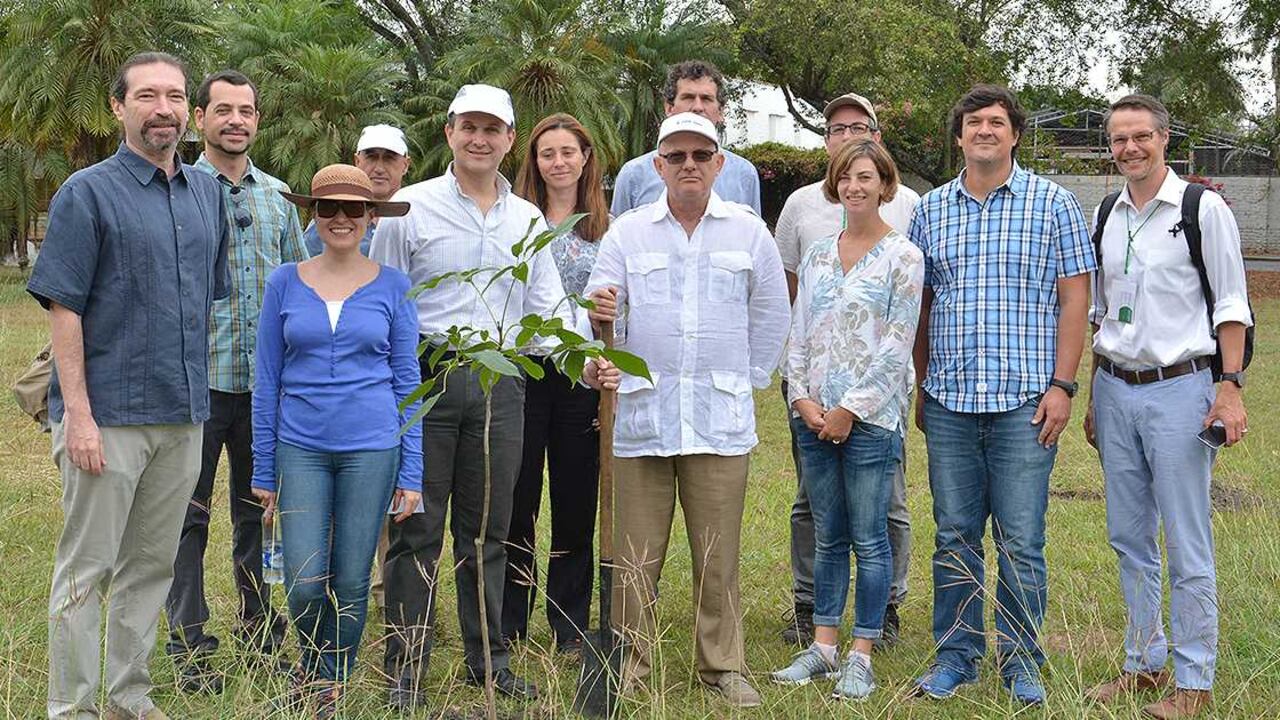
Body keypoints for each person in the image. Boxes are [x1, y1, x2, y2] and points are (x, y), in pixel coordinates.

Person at [29, 51, 230, 720]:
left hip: (182, 417)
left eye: (174, 95)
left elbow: (203, 303)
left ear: (188, 112)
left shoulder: (208, 195)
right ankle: (73, 710)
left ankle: (128, 700)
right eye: (147, 95)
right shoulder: (86, 193)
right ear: (120, 107)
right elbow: (66, 309)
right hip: (106, 418)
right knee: (88, 571)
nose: (163, 108)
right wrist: (76, 415)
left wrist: (196, 399)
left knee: (151, 568)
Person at [372, 84, 572, 708]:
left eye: (494, 129)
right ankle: (405, 668)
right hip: (426, 378)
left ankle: (489, 661)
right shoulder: (411, 205)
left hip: (501, 382)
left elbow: (546, 307)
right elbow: (386, 300)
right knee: (416, 526)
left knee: (488, 529)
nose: (481, 139)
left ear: (510, 139)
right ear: (450, 132)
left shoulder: (527, 219)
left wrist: (586, 360)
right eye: (469, 127)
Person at [586, 112, 790, 708]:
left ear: (720, 164)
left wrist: (745, 380)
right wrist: (599, 346)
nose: (689, 166)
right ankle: (628, 664)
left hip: (718, 421)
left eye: (701, 155)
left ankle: (722, 665)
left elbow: (771, 314)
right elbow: (597, 313)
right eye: (676, 157)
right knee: (634, 557)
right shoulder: (627, 233)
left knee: (717, 553)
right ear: (658, 166)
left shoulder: (749, 233)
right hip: (641, 418)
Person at [908, 84, 1094, 705]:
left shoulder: (1054, 204)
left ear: (1015, 134)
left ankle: (1021, 660)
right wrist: (921, 381)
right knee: (954, 532)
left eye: (996, 122)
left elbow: (1076, 299)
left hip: (1026, 402)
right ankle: (957, 656)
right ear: (958, 136)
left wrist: (1064, 386)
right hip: (950, 399)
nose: (984, 130)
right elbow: (922, 304)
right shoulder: (930, 210)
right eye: (972, 122)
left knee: (1020, 537)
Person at [1082, 94, 1250, 720]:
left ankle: (1194, 680)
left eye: (1140, 136)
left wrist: (1228, 387)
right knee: (1129, 536)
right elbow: (1101, 310)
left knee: (1186, 538)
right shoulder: (1108, 212)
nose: (1129, 148)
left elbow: (1232, 304)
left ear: (1164, 138)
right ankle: (1144, 663)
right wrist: (1096, 394)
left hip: (1182, 389)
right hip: (1115, 387)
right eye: (1119, 139)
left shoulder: (1201, 209)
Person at [251, 164, 423, 715]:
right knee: (303, 580)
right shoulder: (284, 281)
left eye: (355, 208)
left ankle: (330, 682)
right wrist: (261, 466)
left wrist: (411, 472)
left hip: (372, 448)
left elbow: (407, 382)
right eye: (329, 208)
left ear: (372, 217)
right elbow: (267, 380)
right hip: (300, 447)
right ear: (314, 215)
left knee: (351, 578)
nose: (342, 218)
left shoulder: (394, 286)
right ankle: (316, 661)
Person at [165, 69, 306, 692]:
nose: (235, 121)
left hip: (265, 391)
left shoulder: (277, 198)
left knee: (258, 514)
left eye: (245, 111)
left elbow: (302, 286)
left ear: (257, 119)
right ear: (200, 119)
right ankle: (189, 642)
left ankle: (259, 631)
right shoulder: (176, 192)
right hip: (196, 386)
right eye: (222, 110)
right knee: (186, 515)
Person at [769, 139, 923, 700]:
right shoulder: (817, 255)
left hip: (871, 420)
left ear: (885, 184)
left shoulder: (903, 256)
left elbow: (897, 343)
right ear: (835, 185)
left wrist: (847, 410)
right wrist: (803, 399)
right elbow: (800, 329)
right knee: (828, 536)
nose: (855, 187)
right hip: (812, 417)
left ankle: (862, 652)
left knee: (871, 536)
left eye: (866, 177)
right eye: (846, 178)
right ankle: (823, 646)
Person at [502, 113, 611, 654]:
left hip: (579, 374)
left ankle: (569, 623)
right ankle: (509, 620)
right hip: (523, 369)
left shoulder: (607, 227)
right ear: (534, 161)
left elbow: (620, 305)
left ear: (585, 158)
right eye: (548, 153)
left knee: (574, 500)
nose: (559, 162)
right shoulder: (517, 220)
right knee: (517, 498)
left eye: (569, 151)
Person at [610, 60, 761, 215]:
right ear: (669, 108)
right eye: (688, 97)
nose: (697, 107)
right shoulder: (633, 175)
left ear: (721, 111)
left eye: (706, 99)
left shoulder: (744, 174)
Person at [303, 124, 411, 257]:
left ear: (406, 165)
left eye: (389, 158)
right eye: (371, 157)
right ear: (357, 161)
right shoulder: (327, 222)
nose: (379, 168)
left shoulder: (418, 219)